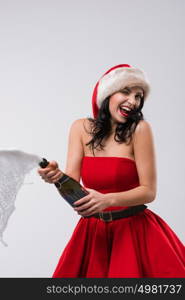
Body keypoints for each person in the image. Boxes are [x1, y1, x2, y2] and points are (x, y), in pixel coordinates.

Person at [38, 64, 185, 278]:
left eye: (138, 96)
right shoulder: (80, 128)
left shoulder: (140, 130)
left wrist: (109, 200)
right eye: (125, 92)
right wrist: (57, 178)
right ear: (107, 94)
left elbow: (149, 191)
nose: (133, 101)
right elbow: (74, 190)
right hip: (92, 234)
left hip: (135, 233)